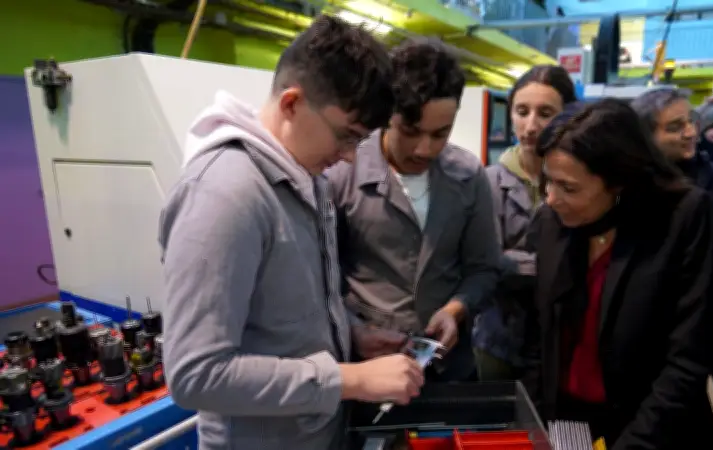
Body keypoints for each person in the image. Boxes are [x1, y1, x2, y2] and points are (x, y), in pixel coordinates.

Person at [158, 16, 425, 449]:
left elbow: (290, 306)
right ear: (291, 104)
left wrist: (350, 333)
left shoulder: (305, 176)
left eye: (359, 142)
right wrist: (351, 379)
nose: (349, 158)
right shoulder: (224, 195)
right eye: (345, 137)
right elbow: (196, 375)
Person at [521, 99, 713, 448]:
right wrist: (538, 425)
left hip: (653, 425)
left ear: (619, 182)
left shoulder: (682, 218)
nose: (551, 199)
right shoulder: (552, 222)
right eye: (548, 181)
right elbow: (539, 336)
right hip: (568, 419)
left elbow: (688, 360)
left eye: (569, 188)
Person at [326, 38, 500, 382]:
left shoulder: (468, 176)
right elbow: (320, 277)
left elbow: (484, 269)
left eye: (440, 134)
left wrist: (455, 310)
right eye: (410, 131)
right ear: (385, 116)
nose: (425, 149)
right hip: (369, 368)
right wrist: (353, 328)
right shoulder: (342, 174)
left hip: (449, 369)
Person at [631, 88, 713, 388]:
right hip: (642, 320)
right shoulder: (630, 183)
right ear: (646, 137)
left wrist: (698, 265)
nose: (690, 132)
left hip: (698, 319)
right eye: (675, 127)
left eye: (691, 121)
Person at [472, 65, 577, 381]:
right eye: (522, 111)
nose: (531, 126)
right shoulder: (487, 182)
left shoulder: (580, 179)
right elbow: (486, 262)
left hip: (564, 339)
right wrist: (556, 266)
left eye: (545, 113)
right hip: (498, 339)